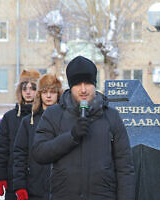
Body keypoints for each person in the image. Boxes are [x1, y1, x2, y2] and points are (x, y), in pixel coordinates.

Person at [32, 56, 135, 200]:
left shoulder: (111, 116)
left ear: (95, 84)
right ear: (70, 86)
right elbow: (39, 153)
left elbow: (125, 167)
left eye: (87, 83)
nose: (83, 89)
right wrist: (71, 136)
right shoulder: (54, 114)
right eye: (77, 84)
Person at [13, 74, 63, 200]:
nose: (49, 95)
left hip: (63, 187)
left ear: (58, 94)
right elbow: (20, 154)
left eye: (53, 92)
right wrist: (20, 185)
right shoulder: (29, 121)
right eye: (45, 92)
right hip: (35, 186)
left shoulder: (66, 120)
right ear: (40, 94)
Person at [0, 69, 40, 199]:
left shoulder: (43, 116)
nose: (28, 92)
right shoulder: (9, 117)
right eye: (25, 88)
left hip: (39, 179)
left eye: (33, 88)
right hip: (13, 177)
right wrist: (0, 176)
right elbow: (2, 149)